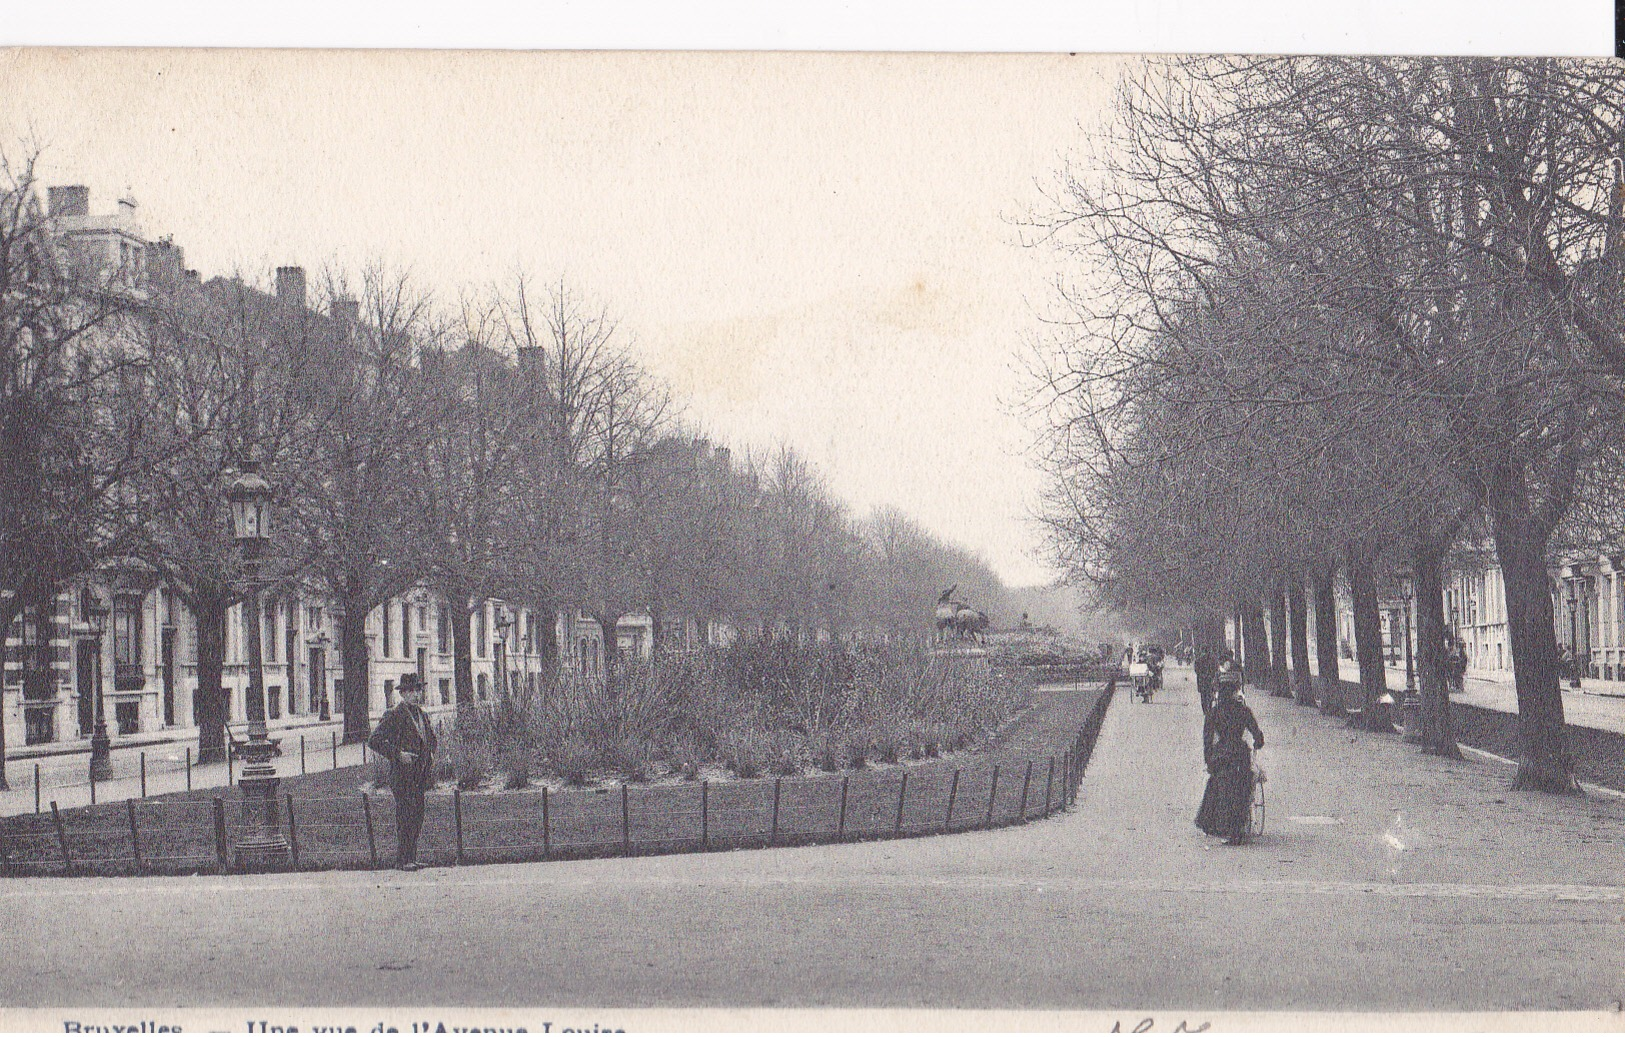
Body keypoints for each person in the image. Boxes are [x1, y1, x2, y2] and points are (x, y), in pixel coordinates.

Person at [368, 672, 438, 871]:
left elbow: (431, 739)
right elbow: (374, 741)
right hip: (402, 776)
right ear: (404, 693)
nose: (417, 695)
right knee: (405, 816)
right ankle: (402, 859)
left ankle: (411, 857)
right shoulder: (394, 715)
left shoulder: (422, 714)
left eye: (419, 690)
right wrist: (398, 754)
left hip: (419, 776)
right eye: (413, 691)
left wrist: (430, 754)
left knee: (417, 816)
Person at [1195, 679, 1265, 845]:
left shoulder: (1214, 713)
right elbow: (1258, 735)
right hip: (1240, 755)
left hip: (1222, 756)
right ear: (1234, 694)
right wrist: (1257, 743)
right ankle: (1237, 828)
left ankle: (1216, 824)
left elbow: (1207, 740)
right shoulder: (1243, 711)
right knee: (1242, 787)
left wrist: (1209, 761)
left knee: (1217, 784)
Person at [1194, 646, 1218, 715]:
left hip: (1201, 679)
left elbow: (1196, 669)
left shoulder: (1198, 659)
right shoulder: (1213, 659)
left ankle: (1205, 710)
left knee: (1203, 695)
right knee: (1209, 694)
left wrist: (1201, 674)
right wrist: (1212, 675)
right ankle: (1209, 709)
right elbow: (1216, 668)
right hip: (1210, 679)